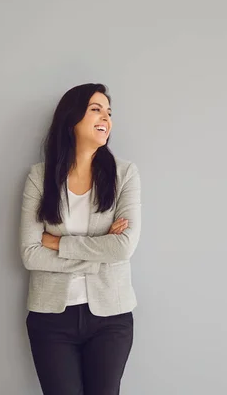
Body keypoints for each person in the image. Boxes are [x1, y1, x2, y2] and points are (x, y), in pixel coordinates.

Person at [20, 83, 142, 395]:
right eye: (96, 109)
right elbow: (30, 254)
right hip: (51, 319)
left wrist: (58, 243)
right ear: (72, 119)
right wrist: (99, 253)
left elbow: (124, 246)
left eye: (109, 112)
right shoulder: (39, 176)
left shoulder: (125, 174)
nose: (106, 118)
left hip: (111, 318)